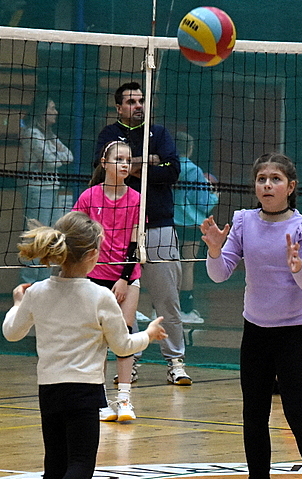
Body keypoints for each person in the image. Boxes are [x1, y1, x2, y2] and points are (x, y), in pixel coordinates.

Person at [2, 211, 166, 479]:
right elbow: (122, 345)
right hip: (83, 392)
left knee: (54, 467)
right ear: (93, 255)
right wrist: (150, 334)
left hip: (49, 391)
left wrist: (16, 301)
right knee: (81, 464)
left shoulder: (37, 292)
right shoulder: (100, 296)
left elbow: (12, 332)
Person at [201, 152, 302, 479]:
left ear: (290, 187)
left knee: (297, 412)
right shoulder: (243, 221)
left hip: (293, 333)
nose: (267, 185)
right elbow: (220, 273)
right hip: (256, 331)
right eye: (262, 179)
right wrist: (214, 250)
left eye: (275, 179)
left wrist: (298, 267)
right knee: (254, 414)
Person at [94, 82, 192, 386]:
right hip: (120, 230)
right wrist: (148, 160)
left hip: (159, 226)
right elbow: (104, 171)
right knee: (123, 301)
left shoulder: (159, 133)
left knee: (167, 299)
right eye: (131, 101)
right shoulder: (109, 135)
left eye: (141, 101)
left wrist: (131, 164)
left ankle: (175, 362)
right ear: (118, 107)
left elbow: (171, 171)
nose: (138, 106)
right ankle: (129, 359)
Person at [72, 141, 143, 420]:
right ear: (104, 163)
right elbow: (76, 234)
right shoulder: (89, 197)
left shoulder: (137, 199)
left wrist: (124, 279)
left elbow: (135, 245)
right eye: (119, 159)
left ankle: (124, 399)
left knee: (124, 336)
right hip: (94, 276)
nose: (125, 164)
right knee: (97, 339)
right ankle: (99, 401)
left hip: (126, 276)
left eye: (128, 160)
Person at [19, 97, 74, 283]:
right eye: (52, 108)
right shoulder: (32, 133)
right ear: (42, 112)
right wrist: (54, 157)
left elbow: (69, 156)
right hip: (37, 190)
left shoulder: (50, 135)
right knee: (36, 236)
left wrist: (53, 156)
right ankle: (28, 282)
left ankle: (44, 281)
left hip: (52, 189)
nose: (55, 112)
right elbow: (51, 161)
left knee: (52, 235)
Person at [174, 131, 219, 324]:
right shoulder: (194, 170)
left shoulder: (167, 167)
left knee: (166, 265)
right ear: (190, 148)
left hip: (169, 222)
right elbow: (202, 202)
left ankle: (158, 309)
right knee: (187, 265)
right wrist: (214, 196)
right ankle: (185, 310)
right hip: (191, 224)